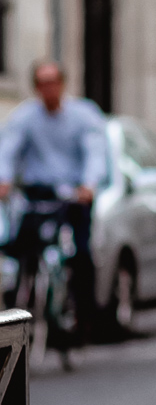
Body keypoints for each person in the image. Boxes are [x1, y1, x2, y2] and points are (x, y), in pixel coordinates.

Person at [0, 60, 108, 337]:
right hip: (40, 193)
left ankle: (84, 315)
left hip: (74, 195)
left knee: (81, 252)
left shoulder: (83, 115)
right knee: (21, 247)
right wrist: (5, 179)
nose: (49, 90)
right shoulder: (25, 118)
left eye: (53, 83)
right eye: (43, 84)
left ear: (62, 84)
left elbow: (95, 152)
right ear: (36, 88)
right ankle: (18, 306)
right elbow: (8, 148)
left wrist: (88, 185)